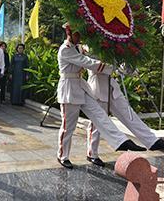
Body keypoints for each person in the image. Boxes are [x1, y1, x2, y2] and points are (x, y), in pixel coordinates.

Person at [56, 23, 145, 169]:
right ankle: (62, 155)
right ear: (69, 34)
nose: (79, 37)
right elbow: (87, 62)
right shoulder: (65, 50)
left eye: (80, 34)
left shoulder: (79, 48)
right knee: (68, 127)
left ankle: (112, 145)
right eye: (77, 34)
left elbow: (93, 54)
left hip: (81, 86)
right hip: (69, 89)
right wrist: (110, 67)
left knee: (99, 116)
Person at [85, 62, 164, 166]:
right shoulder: (88, 47)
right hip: (97, 86)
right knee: (97, 123)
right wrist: (115, 66)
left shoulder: (110, 47)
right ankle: (92, 153)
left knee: (129, 114)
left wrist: (127, 66)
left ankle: (152, 141)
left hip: (111, 85)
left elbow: (119, 67)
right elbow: (94, 65)